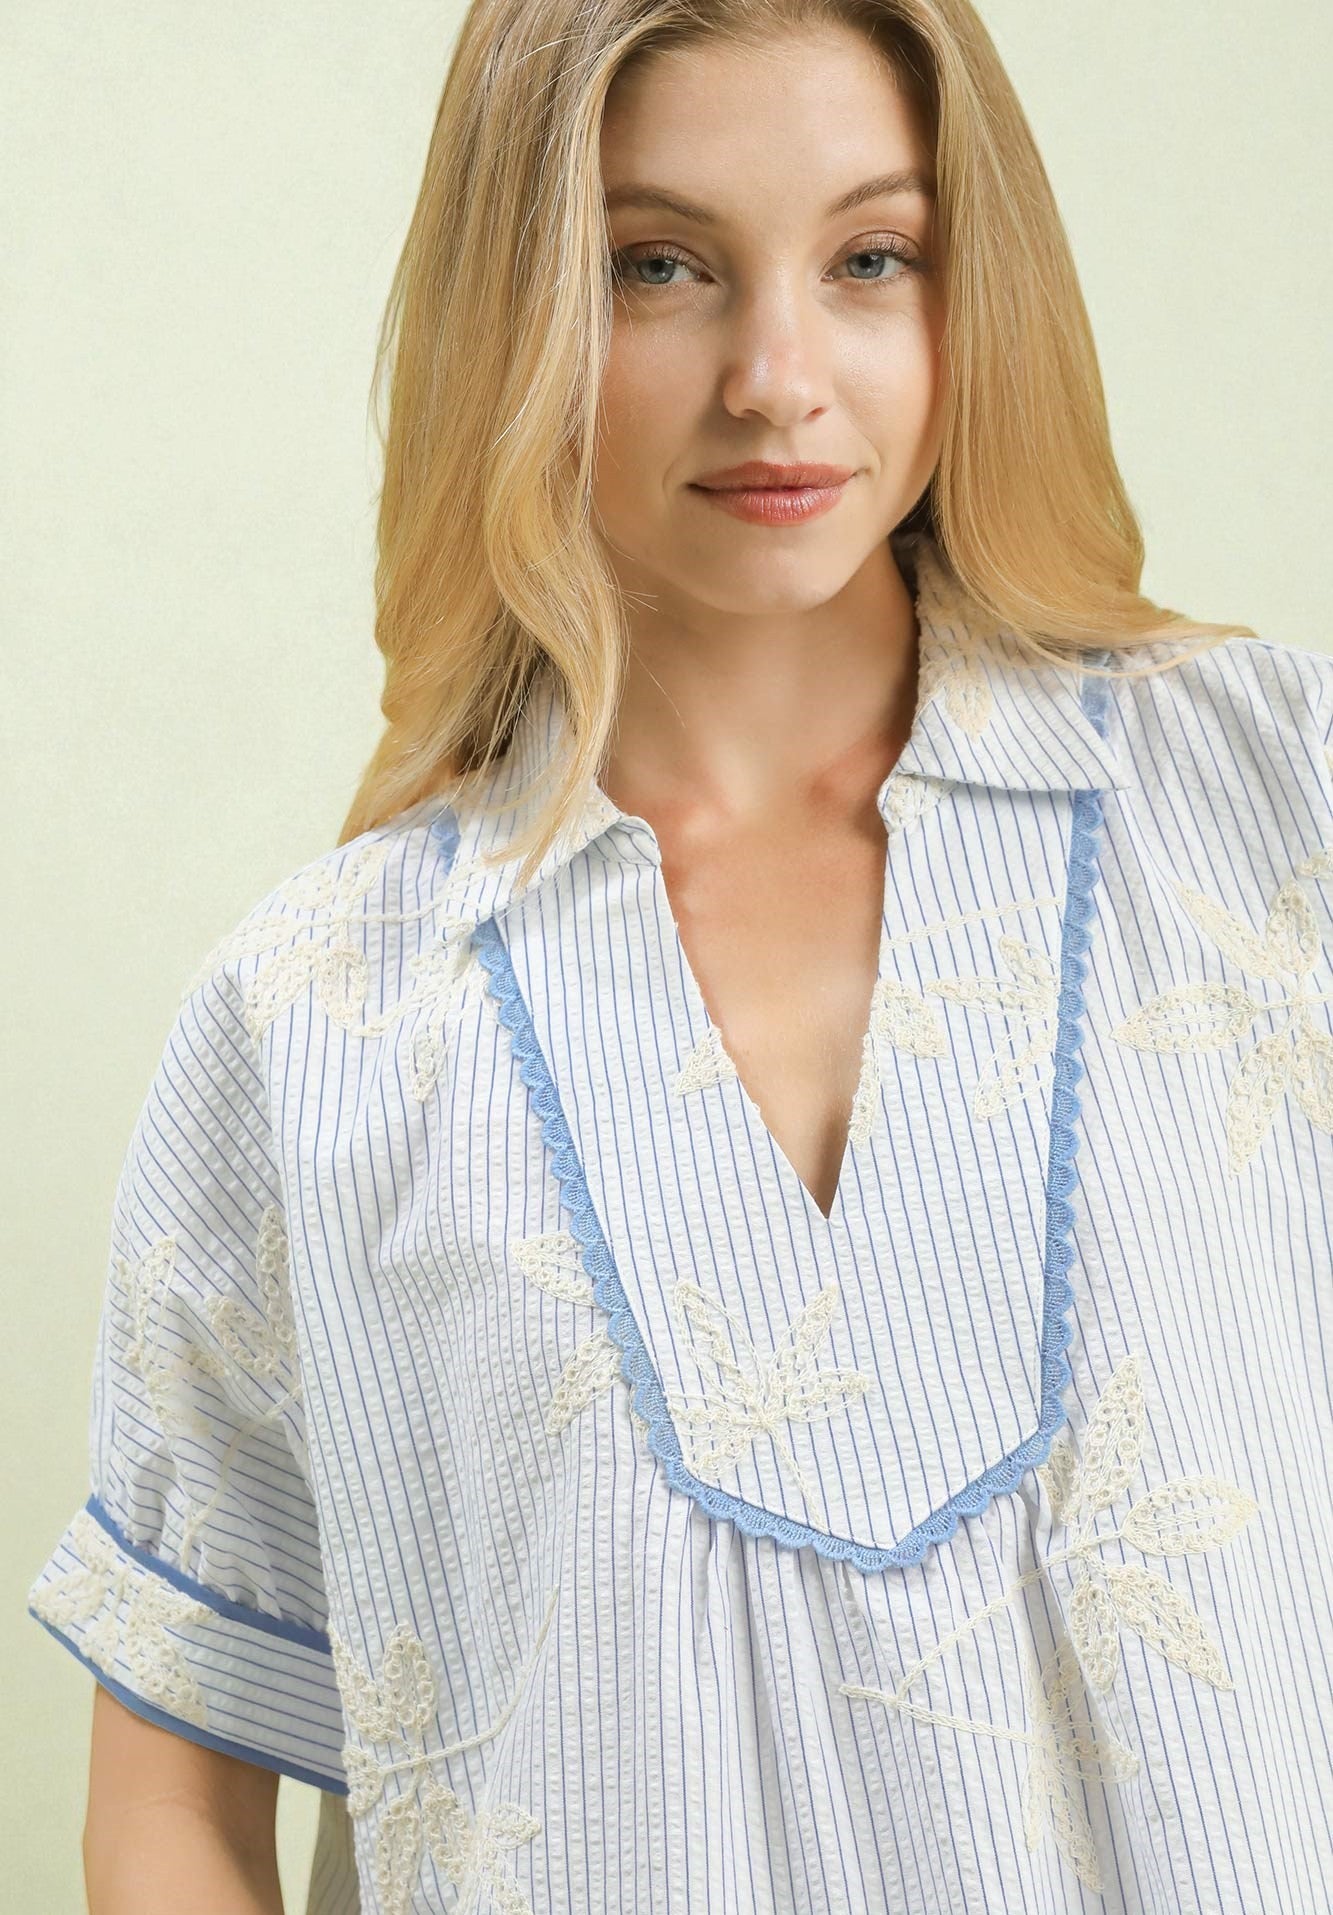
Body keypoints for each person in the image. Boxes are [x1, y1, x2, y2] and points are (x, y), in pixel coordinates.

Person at [27, 0, 1333, 1910]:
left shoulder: (1268, 808)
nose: (776, 380)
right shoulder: (318, 1022)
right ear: (517, 315)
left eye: (870, 258)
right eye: (658, 266)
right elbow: (174, 1806)